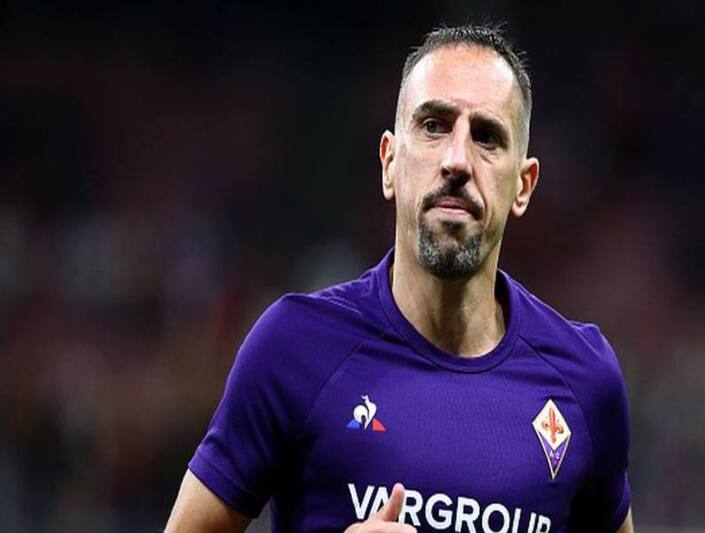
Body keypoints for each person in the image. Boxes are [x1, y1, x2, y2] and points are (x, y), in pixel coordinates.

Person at [165, 23, 634, 533]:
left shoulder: (584, 379)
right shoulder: (294, 346)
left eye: (486, 137)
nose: (457, 160)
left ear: (523, 185)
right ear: (390, 163)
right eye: (434, 125)